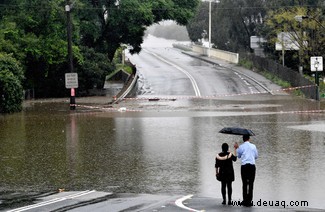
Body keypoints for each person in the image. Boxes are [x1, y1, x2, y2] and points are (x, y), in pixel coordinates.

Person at [235, 134, 258, 207]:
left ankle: (245, 200)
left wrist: (237, 148)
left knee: (244, 183)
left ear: (243, 139)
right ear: (249, 138)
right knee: (251, 183)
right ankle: (250, 200)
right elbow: (256, 156)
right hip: (252, 166)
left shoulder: (241, 147)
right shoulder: (253, 146)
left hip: (244, 166)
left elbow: (238, 156)